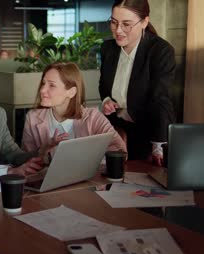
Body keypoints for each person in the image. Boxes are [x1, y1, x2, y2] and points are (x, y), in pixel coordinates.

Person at [99, 0, 175, 165]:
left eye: (126, 24)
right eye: (113, 22)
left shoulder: (160, 51)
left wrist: (158, 144)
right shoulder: (108, 48)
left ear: (144, 22)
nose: (118, 30)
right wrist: (106, 100)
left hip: (151, 130)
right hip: (119, 131)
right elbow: (103, 85)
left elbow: (159, 99)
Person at [22, 62, 127, 158]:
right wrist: (44, 151)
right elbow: (24, 160)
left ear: (71, 92)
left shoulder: (93, 117)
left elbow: (120, 151)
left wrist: (83, 159)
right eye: (43, 83)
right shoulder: (33, 118)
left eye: (52, 85)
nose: (42, 90)